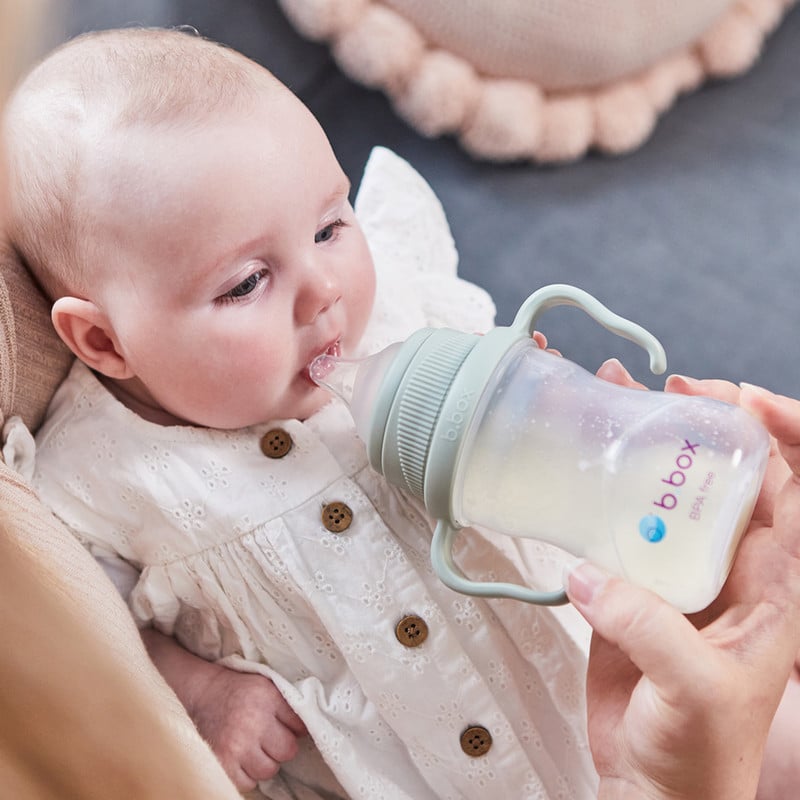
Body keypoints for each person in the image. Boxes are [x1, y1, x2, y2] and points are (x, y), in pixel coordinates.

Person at [4, 25, 797, 799]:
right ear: (104, 341)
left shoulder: (407, 318)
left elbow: (554, 427)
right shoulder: (96, 479)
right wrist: (202, 693)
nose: (324, 291)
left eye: (329, 227)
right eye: (246, 282)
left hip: (609, 684)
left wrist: (542, 400)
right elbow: (92, 642)